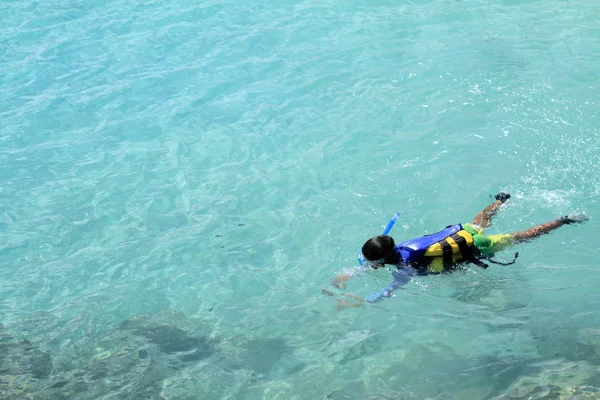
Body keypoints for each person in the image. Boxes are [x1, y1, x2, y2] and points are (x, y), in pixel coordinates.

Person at [332, 192, 588, 303]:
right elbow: (380, 263)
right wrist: (350, 274)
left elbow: (392, 288)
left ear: (382, 259)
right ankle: (500, 200)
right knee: (480, 221)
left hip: (476, 245)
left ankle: (561, 221)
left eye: (370, 261)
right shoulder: (402, 247)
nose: (369, 264)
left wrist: (366, 299)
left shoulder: (406, 265)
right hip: (460, 231)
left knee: (520, 236)